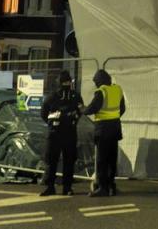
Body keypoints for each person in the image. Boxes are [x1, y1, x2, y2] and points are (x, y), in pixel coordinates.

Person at [39, 70, 83, 196]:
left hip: (60, 132)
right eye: (65, 82)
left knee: (64, 160)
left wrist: (54, 122)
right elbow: (44, 113)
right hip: (61, 132)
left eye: (68, 82)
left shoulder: (69, 96)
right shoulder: (57, 96)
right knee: (53, 160)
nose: (66, 84)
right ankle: (56, 187)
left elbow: (80, 111)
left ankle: (63, 187)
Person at [83, 69, 125, 197]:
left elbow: (92, 108)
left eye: (96, 81)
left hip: (103, 129)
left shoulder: (101, 92)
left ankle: (102, 188)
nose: (96, 84)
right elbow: (122, 109)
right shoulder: (118, 89)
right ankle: (112, 185)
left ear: (100, 81)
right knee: (112, 159)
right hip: (115, 127)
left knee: (102, 160)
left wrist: (82, 110)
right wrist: (114, 117)